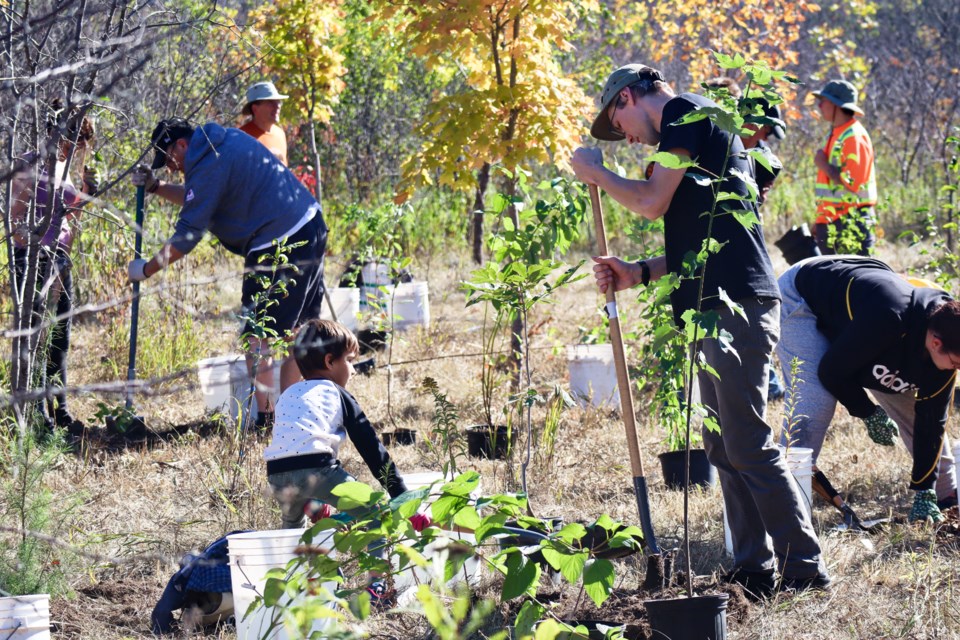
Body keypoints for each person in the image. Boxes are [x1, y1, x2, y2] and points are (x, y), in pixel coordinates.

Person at [571, 63, 828, 596]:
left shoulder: (687, 113)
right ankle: (752, 564)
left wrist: (596, 173)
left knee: (748, 441)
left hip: (738, 305)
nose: (627, 138)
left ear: (627, 98)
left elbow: (648, 203)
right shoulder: (693, 140)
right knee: (721, 445)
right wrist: (638, 272)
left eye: (621, 126)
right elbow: (699, 240)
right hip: (711, 304)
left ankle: (804, 567)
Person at [128, 118, 327, 429]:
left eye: (168, 159)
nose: (170, 167)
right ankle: (292, 419)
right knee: (296, 332)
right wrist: (157, 187)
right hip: (310, 223)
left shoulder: (208, 162)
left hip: (280, 239)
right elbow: (201, 197)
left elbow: (187, 236)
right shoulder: (221, 144)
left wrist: (145, 269)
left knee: (257, 334)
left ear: (181, 144)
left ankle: (270, 421)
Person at [777, 255, 960, 522]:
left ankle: (944, 498)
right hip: (806, 295)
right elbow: (832, 370)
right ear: (935, 343)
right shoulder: (889, 317)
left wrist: (924, 490)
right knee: (815, 401)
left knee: (916, 413)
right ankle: (783, 509)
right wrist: (867, 412)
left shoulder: (946, 346)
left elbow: (931, 423)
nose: (955, 370)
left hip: (865, 333)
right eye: (955, 362)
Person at [264, 319, 427, 603]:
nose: (353, 369)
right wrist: (403, 499)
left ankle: (293, 589)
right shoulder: (336, 392)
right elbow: (372, 450)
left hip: (277, 475)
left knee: (292, 533)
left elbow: (291, 445)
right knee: (377, 513)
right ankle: (375, 586)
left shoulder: (288, 394)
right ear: (330, 361)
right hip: (319, 469)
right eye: (350, 361)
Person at [10, 102, 100, 433]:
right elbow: (14, 217)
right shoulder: (32, 163)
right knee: (36, 336)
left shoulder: (63, 168)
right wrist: (36, 249)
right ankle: (35, 412)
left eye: (79, 142)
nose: (74, 148)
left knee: (60, 335)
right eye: (72, 139)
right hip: (32, 258)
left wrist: (88, 192)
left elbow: (67, 216)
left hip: (60, 258)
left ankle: (59, 408)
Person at [811, 80, 877, 256]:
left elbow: (854, 183)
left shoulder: (853, 136)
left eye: (823, 101)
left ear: (835, 105)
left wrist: (823, 164)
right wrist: (820, 220)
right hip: (835, 221)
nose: (819, 105)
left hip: (850, 223)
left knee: (854, 282)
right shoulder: (838, 132)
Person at [239, 80, 289, 165]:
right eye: (271, 102)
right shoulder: (242, 137)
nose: (277, 106)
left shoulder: (280, 134)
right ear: (255, 109)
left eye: (278, 101)